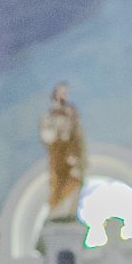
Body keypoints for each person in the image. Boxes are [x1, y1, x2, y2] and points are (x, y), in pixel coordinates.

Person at [39, 82, 86, 224]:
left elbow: (77, 132)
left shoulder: (71, 112)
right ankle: (58, 210)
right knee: (57, 180)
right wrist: (57, 134)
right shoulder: (50, 115)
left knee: (74, 179)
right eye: (61, 92)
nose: (63, 95)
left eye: (65, 93)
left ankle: (68, 209)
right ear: (55, 95)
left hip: (70, 151)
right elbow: (46, 133)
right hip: (57, 152)